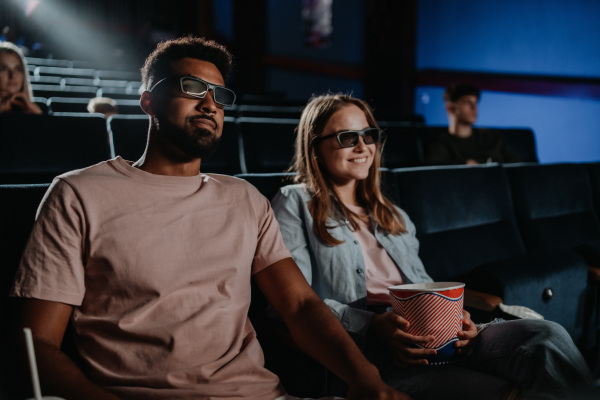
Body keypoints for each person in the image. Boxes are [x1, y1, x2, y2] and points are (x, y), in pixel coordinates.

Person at [5, 36, 408, 400]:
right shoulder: (79, 193)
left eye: (219, 94)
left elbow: (300, 306)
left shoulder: (244, 198)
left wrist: (366, 379)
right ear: (148, 100)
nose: (210, 103)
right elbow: (34, 343)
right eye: (192, 87)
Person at [270, 93, 595, 399]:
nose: (362, 146)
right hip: (369, 351)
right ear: (315, 147)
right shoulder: (295, 202)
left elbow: (423, 284)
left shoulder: (392, 214)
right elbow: (293, 305)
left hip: (435, 335)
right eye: (346, 137)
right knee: (505, 392)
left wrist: (458, 320)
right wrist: (374, 325)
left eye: (368, 135)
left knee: (547, 337)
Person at [424, 83, 519, 165]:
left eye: (475, 102)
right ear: (450, 108)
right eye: (467, 102)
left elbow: (519, 167)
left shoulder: (493, 138)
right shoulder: (440, 145)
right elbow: (433, 171)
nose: (474, 108)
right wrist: (463, 165)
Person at [0, 41, 42, 114]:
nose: (12, 75)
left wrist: (37, 113)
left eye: (18, 69)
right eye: (3, 68)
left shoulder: (35, 108)